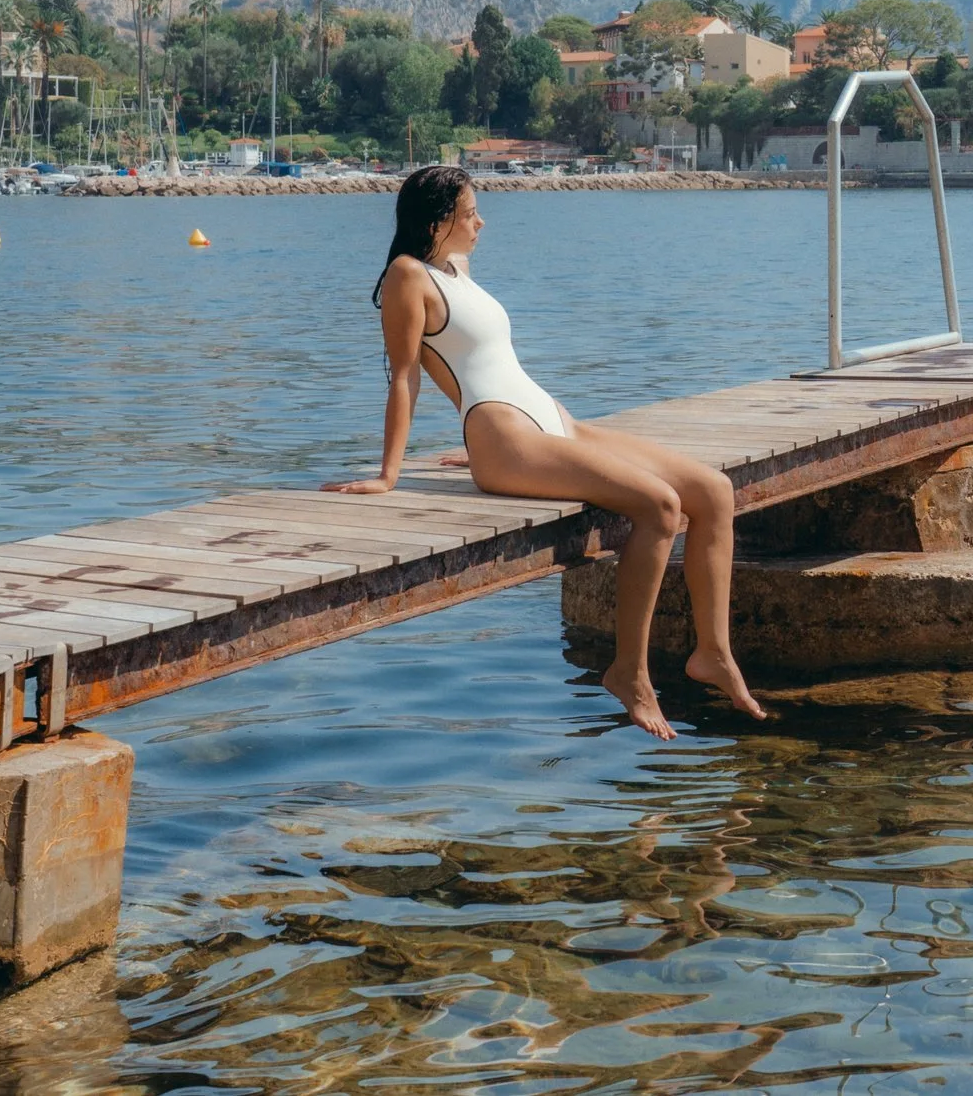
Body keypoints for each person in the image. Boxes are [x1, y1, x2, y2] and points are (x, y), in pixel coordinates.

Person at [324, 166, 762, 739]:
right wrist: (390, 476)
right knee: (659, 506)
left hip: (552, 423)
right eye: (470, 212)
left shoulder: (456, 267)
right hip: (505, 439)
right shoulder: (408, 276)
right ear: (436, 220)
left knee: (713, 491)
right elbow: (405, 377)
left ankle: (714, 654)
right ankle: (629, 673)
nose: (481, 221)